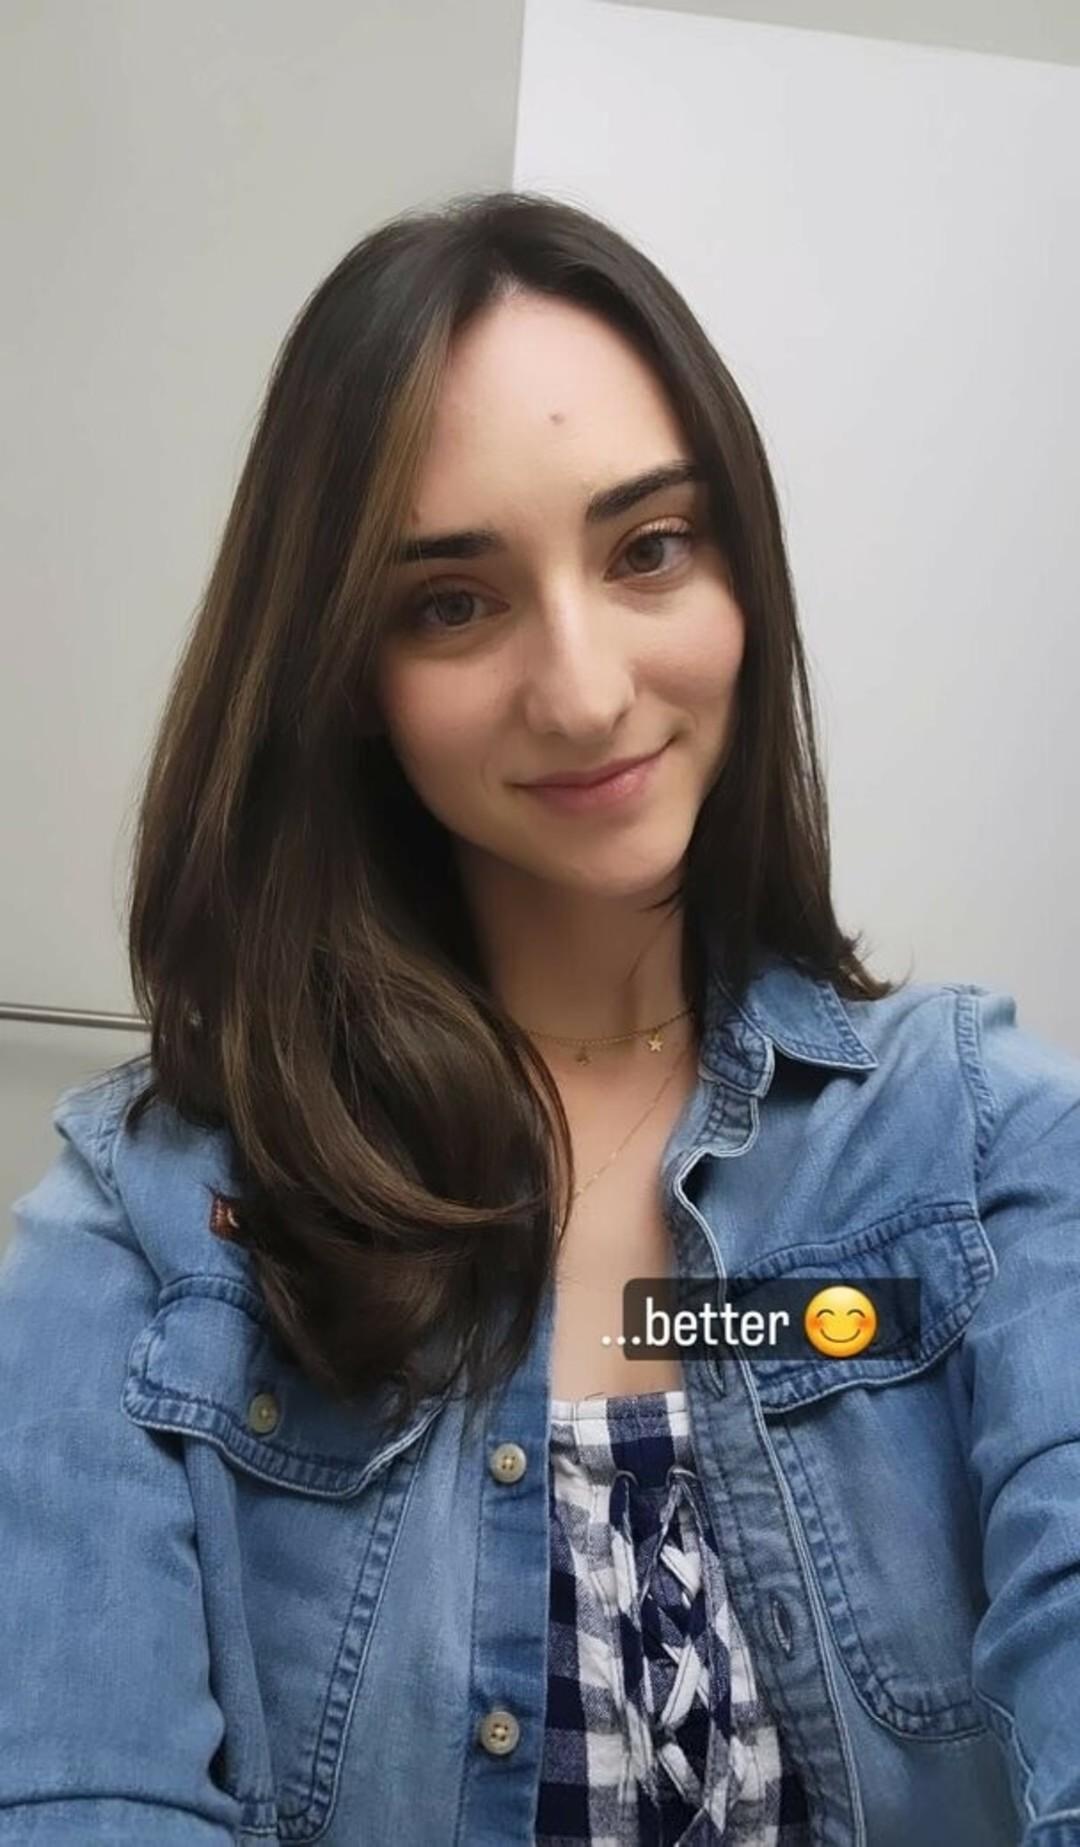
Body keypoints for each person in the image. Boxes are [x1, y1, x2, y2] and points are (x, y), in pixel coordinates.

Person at [1, 190, 1078, 1847]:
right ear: (347, 674)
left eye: (649, 548)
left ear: (741, 569)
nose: (583, 692)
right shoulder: (148, 1230)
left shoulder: (979, 1142)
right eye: (453, 601)